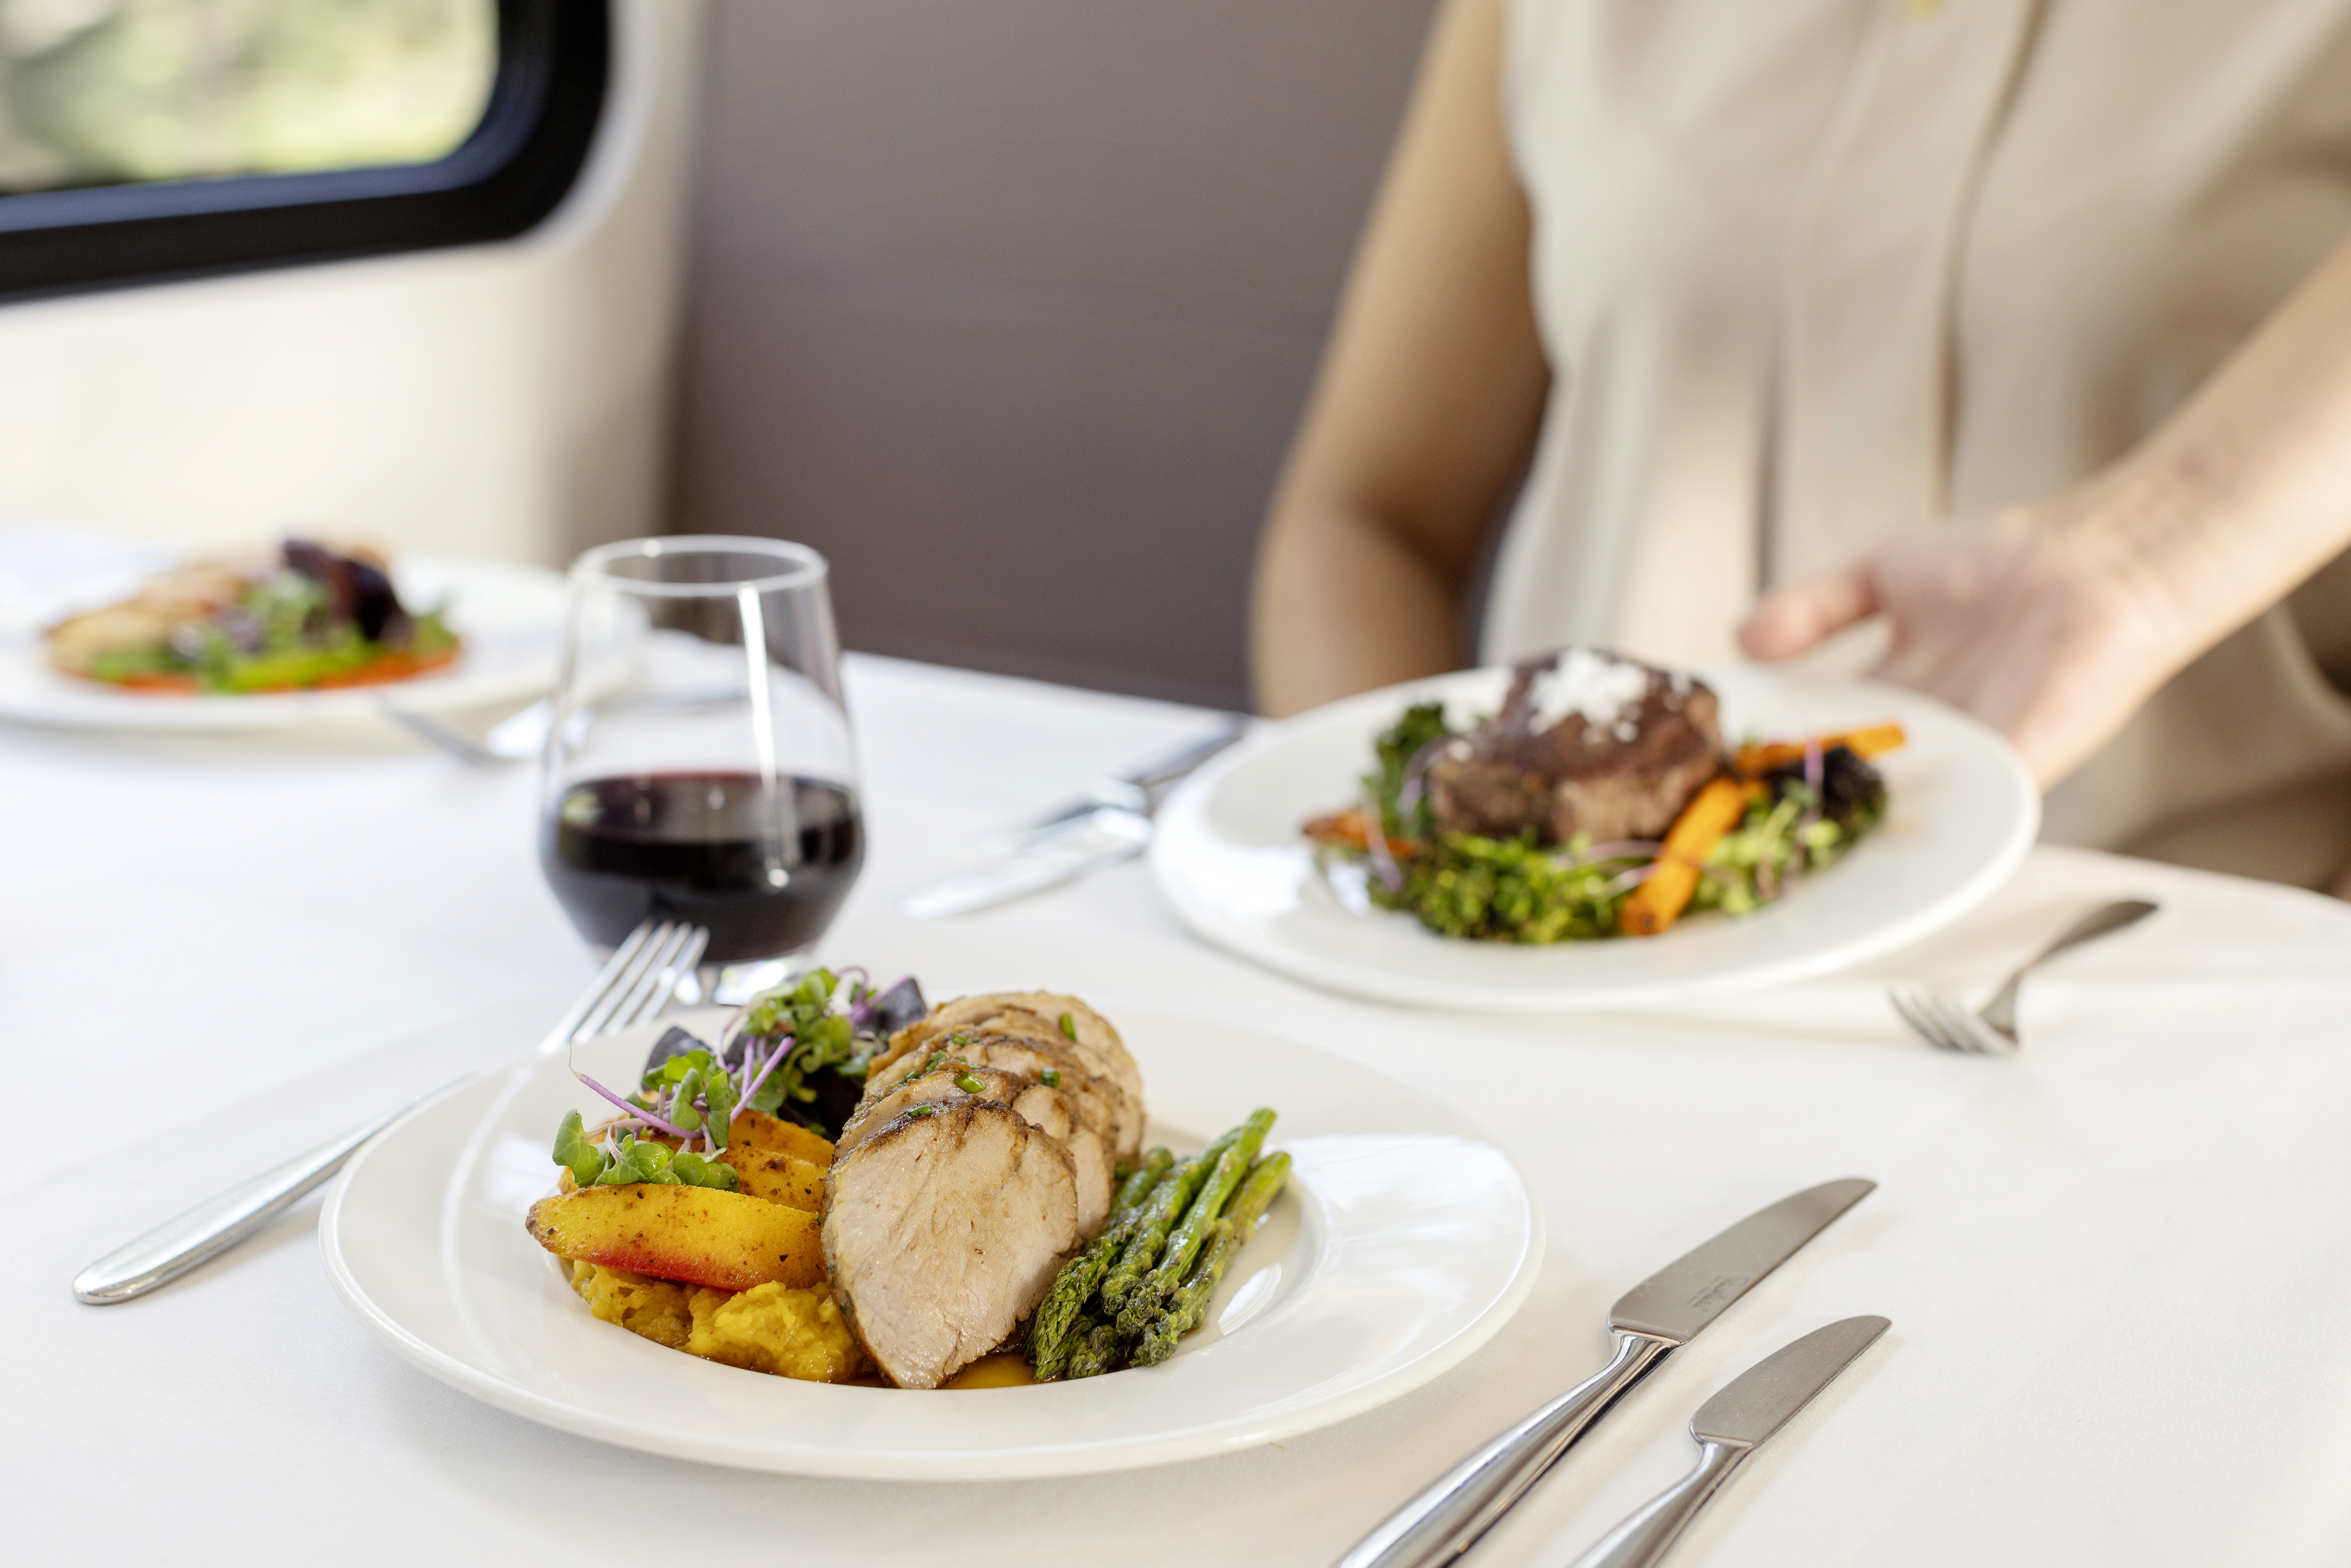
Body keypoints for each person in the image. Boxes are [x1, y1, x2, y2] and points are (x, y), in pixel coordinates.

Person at [1250, 0, 2351, 894]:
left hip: (2169, 982)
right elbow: (1363, 522)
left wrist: (2144, 558)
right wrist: (1419, 880)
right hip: (1590, 996)